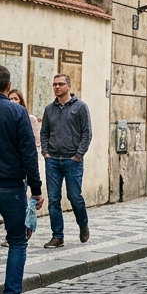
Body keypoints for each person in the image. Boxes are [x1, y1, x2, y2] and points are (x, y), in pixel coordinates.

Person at [0, 65, 45, 294]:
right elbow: (29, 154)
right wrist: (36, 189)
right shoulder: (17, 112)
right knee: (17, 240)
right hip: (11, 186)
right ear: (8, 87)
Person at [40, 73, 92, 247]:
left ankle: (83, 224)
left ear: (69, 86)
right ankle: (57, 236)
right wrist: (46, 152)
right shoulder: (49, 109)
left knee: (74, 196)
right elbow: (44, 132)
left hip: (72, 160)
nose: (57, 87)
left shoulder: (80, 107)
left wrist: (78, 155)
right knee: (53, 199)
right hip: (53, 159)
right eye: (54, 84)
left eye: (60, 84)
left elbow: (87, 133)